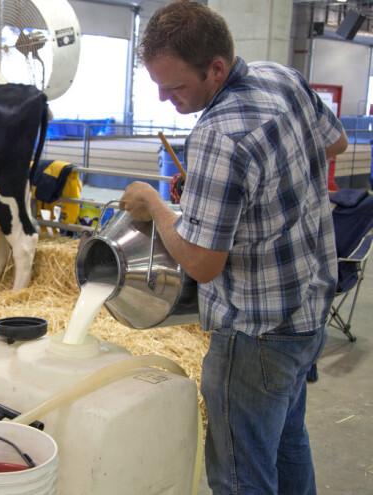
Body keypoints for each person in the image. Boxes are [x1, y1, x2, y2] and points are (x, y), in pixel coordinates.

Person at [119, 1, 348, 493]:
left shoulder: (218, 133)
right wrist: (229, 189)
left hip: (255, 331)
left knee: (241, 470)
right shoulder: (281, 77)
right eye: (157, 85)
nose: (164, 99)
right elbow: (335, 144)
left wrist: (155, 204)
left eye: (175, 86)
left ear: (216, 67)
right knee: (287, 444)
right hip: (309, 306)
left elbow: (202, 264)